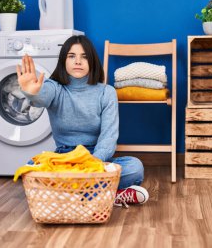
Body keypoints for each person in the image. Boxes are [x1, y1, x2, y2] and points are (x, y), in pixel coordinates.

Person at [17, 35, 149, 207]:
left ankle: (67, 196)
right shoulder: (55, 88)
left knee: (134, 167)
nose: (77, 61)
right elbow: (42, 97)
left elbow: (109, 137)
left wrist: (93, 163)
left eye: (84, 56)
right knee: (31, 167)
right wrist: (31, 92)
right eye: (71, 56)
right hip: (65, 159)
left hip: (95, 158)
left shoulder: (106, 92)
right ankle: (104, 196)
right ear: (63, 61)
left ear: (92, 61)